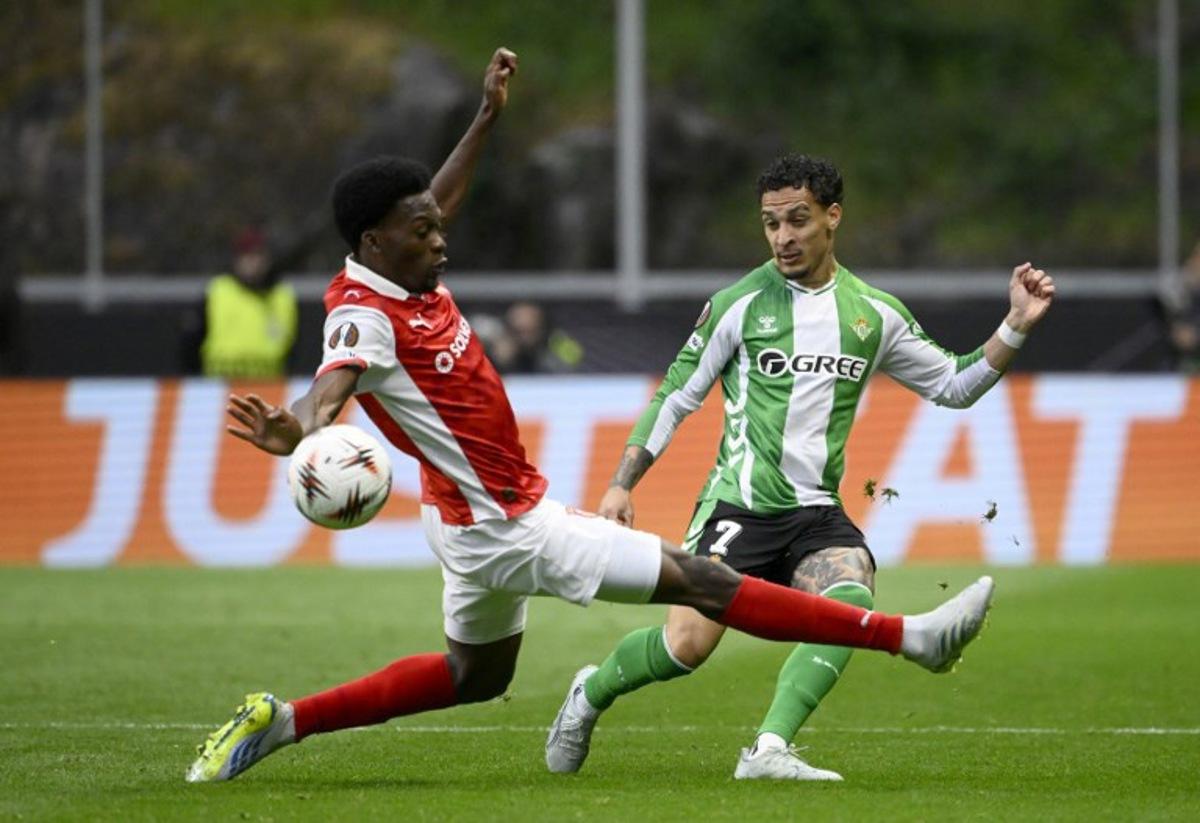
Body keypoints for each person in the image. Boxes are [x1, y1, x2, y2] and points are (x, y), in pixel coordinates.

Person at [186, 51, 996, 785]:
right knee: (708, 582)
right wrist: (302, 429)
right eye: (424, 231)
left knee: (477, 676)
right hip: (509, 523)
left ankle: (282, 721)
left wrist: (487, 116)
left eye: (434, 224)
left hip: (459, 514)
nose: (441, 239)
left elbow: (437, 199)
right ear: (376, 240)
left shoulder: (402, 265)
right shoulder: (363, 314)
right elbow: (331, 386)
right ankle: (909, 637)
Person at [543, 154, 1055, 781]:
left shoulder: (873, 314)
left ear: (832, 217)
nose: (782, 237)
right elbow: (675, 396)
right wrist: (622, 484)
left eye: (797, 220)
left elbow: (954, 384)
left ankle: (768, 748)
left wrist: (1016, 325)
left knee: (849, 594)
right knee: (685, 648)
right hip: (739, 506)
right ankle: (590, 693)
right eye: (771, 224)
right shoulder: (738, 304)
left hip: (815, 512)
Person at [182, 227, 299, 378]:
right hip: (219, 383)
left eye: (257, 255)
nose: (252, 262)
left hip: (268, 385)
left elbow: (293, 348)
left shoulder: (282, 296)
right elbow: (190, 346)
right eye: (246, 255)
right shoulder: (217, 292)